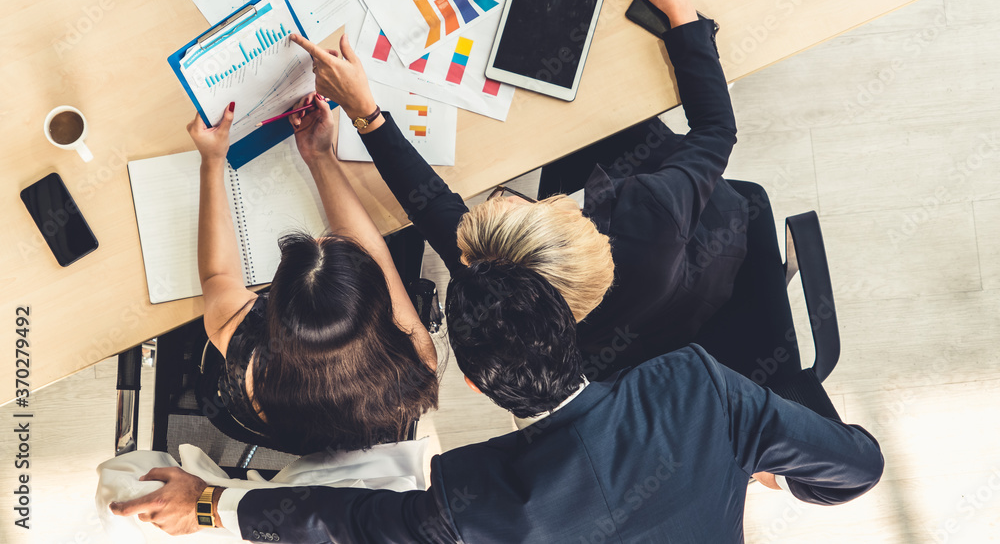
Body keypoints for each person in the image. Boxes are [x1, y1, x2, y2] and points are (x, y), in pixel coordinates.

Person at [109, 261, 884, 541]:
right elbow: (858, 467)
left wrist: (213, 507)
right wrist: (759, 457)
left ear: (473, 384)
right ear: (568, 320)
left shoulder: (475, 494)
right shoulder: (698, 387)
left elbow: (347, 520)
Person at [286, 0, 748, 382]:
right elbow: (715, 130)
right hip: (676, 255)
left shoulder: (508, 296)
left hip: (686, 268)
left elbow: (436, 211)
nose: (498, 194)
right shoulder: (645, 213)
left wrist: (364, 118)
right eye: (511, 206)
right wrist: (681, 14)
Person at [188, 94, 438, 455]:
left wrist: (212, 161)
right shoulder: (416, 359)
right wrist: (321, 156)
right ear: (378, 301)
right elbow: (375, 253)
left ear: (270, 310)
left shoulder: (250, 361)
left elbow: (216, 275)